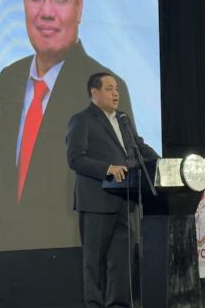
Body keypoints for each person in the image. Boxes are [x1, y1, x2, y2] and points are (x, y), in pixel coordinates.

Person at [0, 0, 136, 252]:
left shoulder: (104, 86)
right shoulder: (9, 80)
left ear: (79, 6)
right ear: (23, 0)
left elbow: (124, 182)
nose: (47, 11)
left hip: (73, 259)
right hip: (8, 264)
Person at [67, 72, 159, 308]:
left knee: (122, 262)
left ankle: (119, 305)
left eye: (117, 88)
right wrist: (107, 169)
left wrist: (163, 164)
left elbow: (139, 148)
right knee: (94, 262)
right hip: (96, 202)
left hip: (125, 200)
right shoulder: (82, 120)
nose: (116, 93)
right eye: (109, 89)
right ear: (94, 93)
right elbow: (75, 159)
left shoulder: (123, 120)